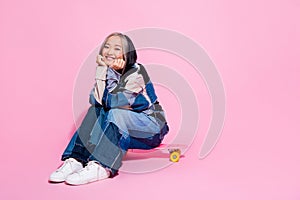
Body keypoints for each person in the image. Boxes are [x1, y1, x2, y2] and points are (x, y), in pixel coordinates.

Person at [49, 32, 169, 185]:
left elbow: (113, 102)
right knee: (95, 109)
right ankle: (77, 158)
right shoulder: (108, 70)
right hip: (125, 129)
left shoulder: (137, 73)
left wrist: (105, 71)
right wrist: (104, 70)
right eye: (107, 46)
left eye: (117, 48)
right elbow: (95, 99)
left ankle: (102, 165)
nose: (110, 52)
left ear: (127, 54)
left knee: (115, 111)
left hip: (151, 129)